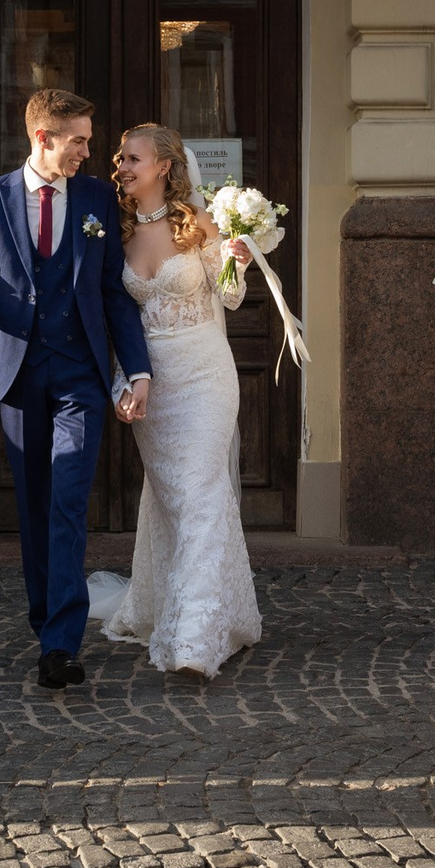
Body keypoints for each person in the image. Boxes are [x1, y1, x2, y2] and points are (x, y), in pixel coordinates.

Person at [0, 87, 152, 690]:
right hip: (18, 376)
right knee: (33, 506)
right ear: (44, 138)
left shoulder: (96, 199)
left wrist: (136, 368)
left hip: (80, 375)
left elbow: (112, 292)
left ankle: (61, 642)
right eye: (79, 140)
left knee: (68, 501)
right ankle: (45, 618)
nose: (89, 151)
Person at [92, 123, 262, 678]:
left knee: (200, 494)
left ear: (164, 166)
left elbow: (231, 297)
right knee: (173, 499)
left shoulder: (198, 224)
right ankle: (190, 606)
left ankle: (196, 637)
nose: (122, 166)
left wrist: (237, 257)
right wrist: (124, 382)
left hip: (207, 376)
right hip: (153, 386)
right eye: (120, 158)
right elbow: (119, 319)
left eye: (133, 158)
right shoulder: (111, 232)